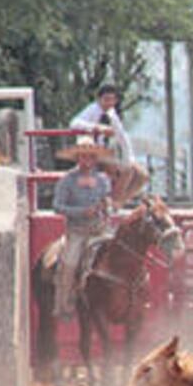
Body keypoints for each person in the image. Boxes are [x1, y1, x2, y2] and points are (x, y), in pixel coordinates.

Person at [51, 136, 113, 318]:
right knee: (69, 263)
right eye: (83, 157)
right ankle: (62, 305)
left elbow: (107, 199)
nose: (87, 161)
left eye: (91, 157)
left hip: (100, 229)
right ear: (77, 158)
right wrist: (81, 212)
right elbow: (57, 206)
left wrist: (106, 207)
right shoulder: (67, 180)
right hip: (77, 231)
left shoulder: (102, 179)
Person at [69, 84, 148, 207]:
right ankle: (112, 205)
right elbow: (74, 123)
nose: (109, 103)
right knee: (124, 170)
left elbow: (123, 138)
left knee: (142, 175)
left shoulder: (112, 115)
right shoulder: (93, 110)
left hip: (109, 153)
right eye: (106, 99)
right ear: (99, 99)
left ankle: (117, 202)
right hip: (93, 152)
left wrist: (130, 157)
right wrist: (97, 128)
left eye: (112, 100)